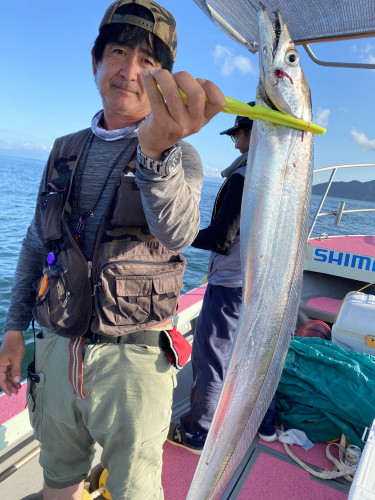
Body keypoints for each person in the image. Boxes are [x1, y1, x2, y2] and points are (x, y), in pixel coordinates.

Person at [0, 1, 226, 499]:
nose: (129, 72)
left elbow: (179, 231)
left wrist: (155, 153)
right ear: (95, 63)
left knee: (136, 491)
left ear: (163, 78)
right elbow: (36, 242)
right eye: (119, 52)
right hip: (57, 351)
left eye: (147, 62)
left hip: (135, 363)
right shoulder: (63, 148)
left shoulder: (181, 155)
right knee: (56, 479)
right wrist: (15, 328)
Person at [167, 109, 277, 455]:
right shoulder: (273, 177)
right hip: (263, 286)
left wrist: (177, 235)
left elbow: (221, 238)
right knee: (256, 358)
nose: (235, 140)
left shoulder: (245, 177)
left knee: (211, 359)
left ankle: (198, 432)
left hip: (231, 286)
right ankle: (267, 423)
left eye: (237, 134)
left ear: (252, 135)